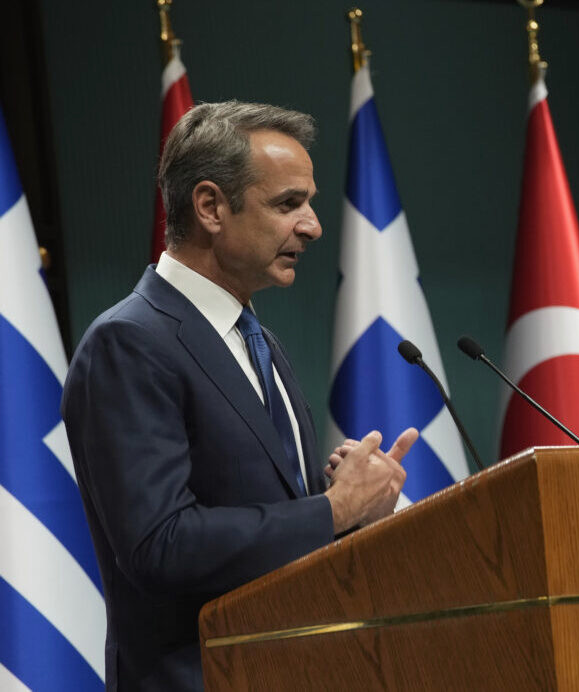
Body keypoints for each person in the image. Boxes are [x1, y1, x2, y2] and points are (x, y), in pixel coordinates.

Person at [61, 101, 415, 691]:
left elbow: (272, 522)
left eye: (309, 203)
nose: (312, 226)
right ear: (210, 207)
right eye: (288, 203)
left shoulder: (258, 342)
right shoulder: (129, 342)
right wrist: (334, 510)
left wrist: (354, 510)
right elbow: (160, 545)